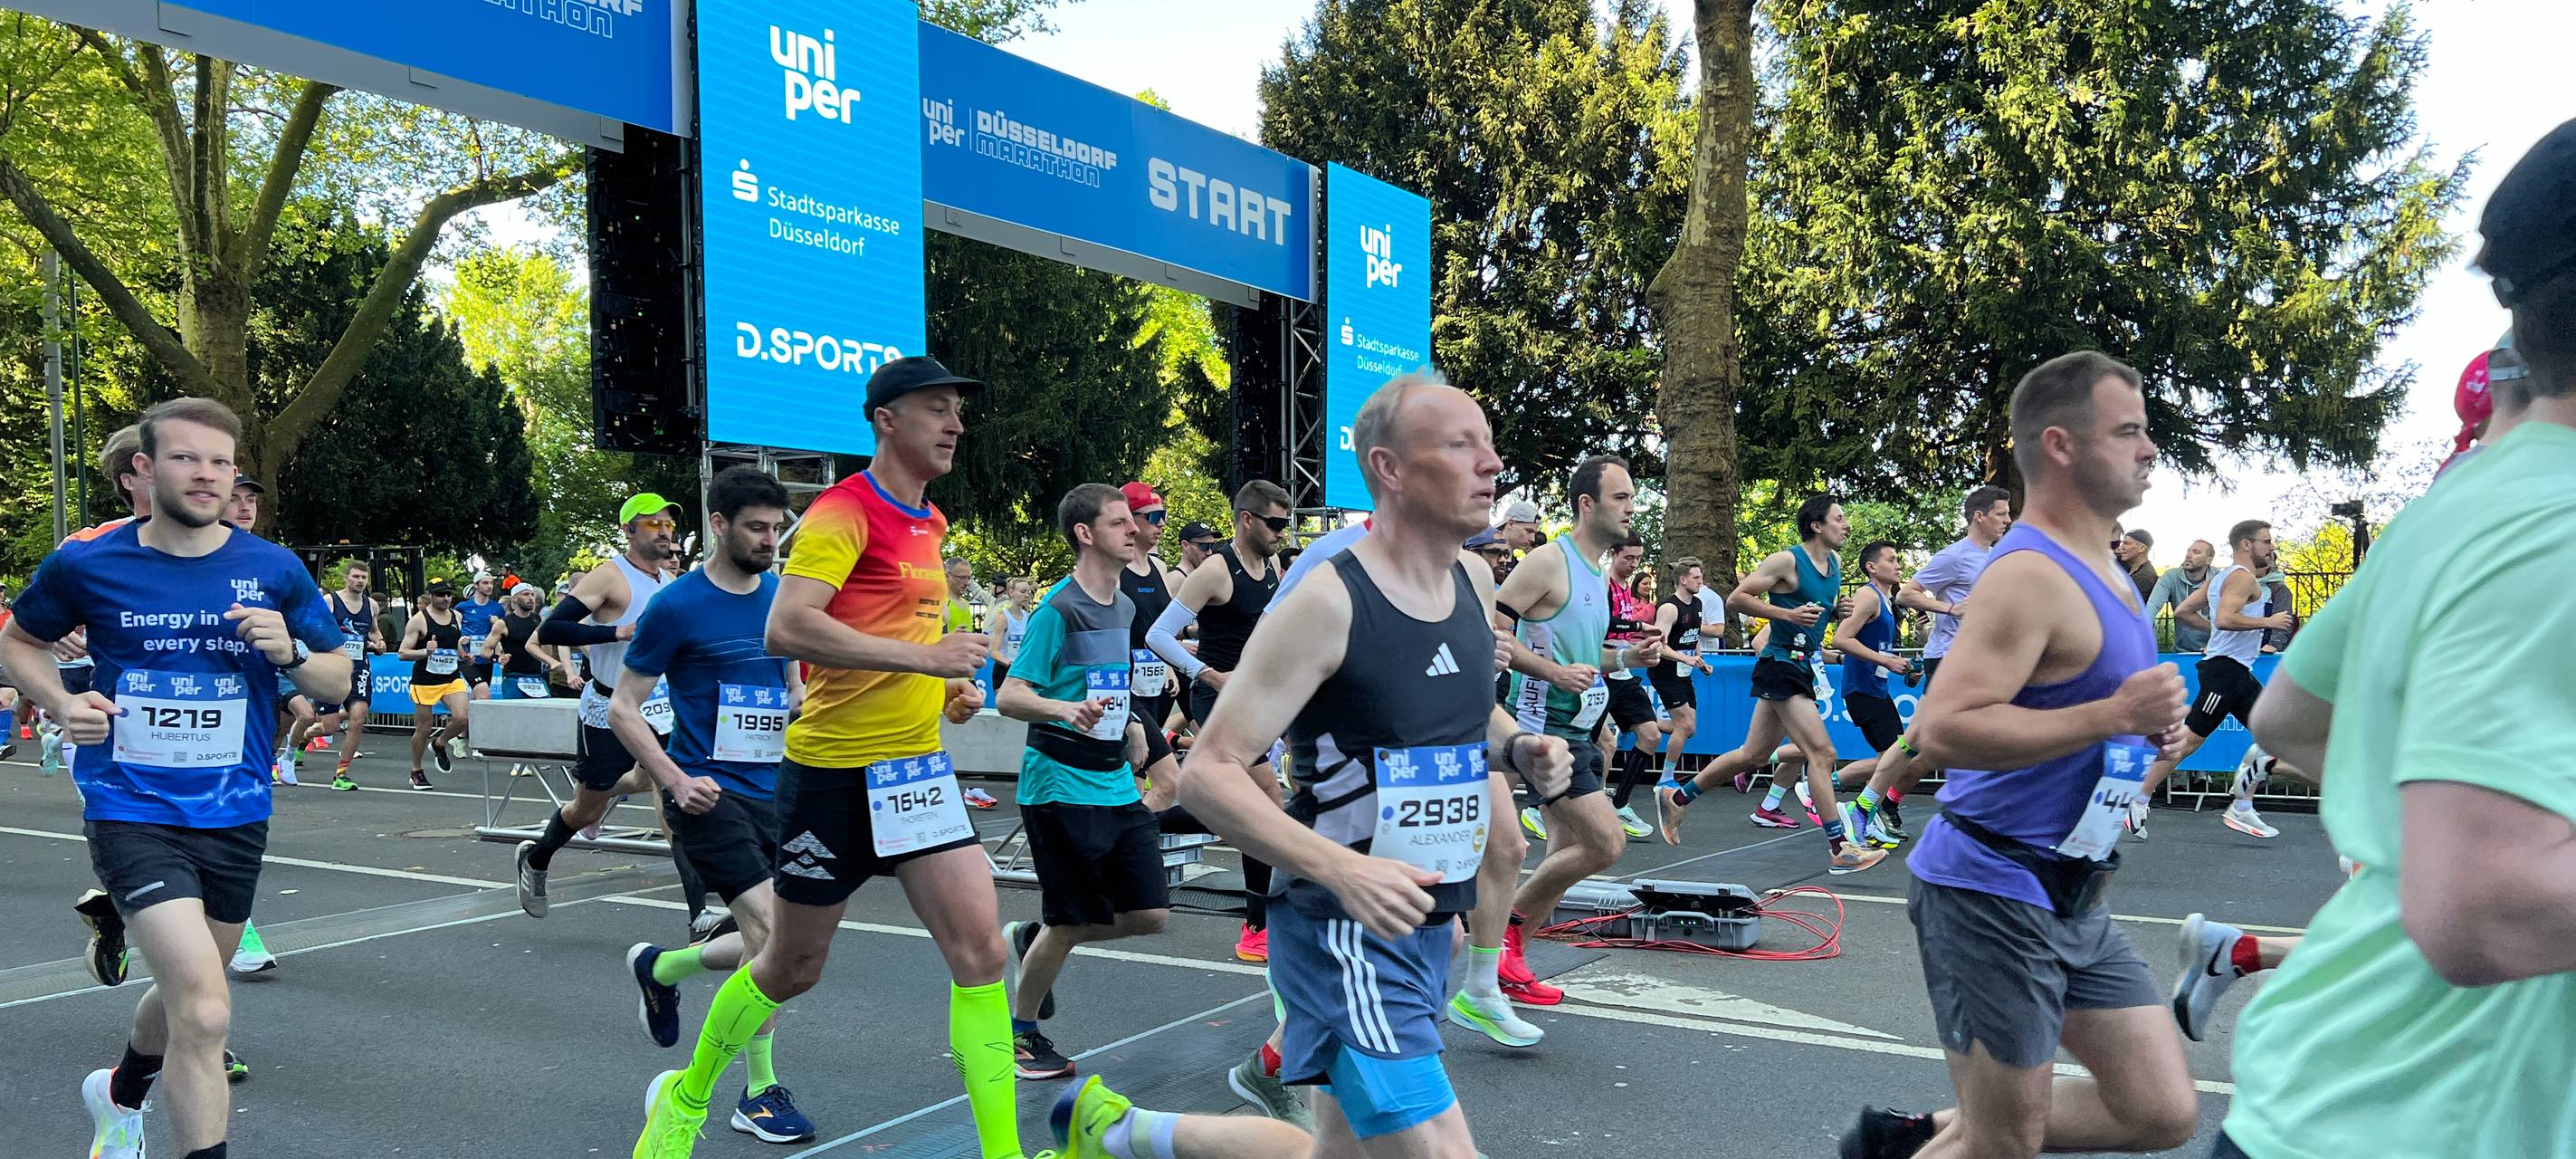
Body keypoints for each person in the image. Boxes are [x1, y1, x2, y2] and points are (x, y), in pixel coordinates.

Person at [1048, 373, 1572, 1159]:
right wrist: (1344, 872)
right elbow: (1211, 770)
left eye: (1488, 444)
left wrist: (1514, 747)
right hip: (1344, 927)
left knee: (1339, 1152)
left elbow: (1459, 719)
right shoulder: (1328, 600)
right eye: (1461, 445)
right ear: (1391, 469)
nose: (1490, 465)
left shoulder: (1474, 579)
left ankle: (1122, 1133)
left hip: (1428, 923)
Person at [2216, 120, 2576, 1159]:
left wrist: (2430, 809)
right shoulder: (2553, 525)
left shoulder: (2457, 507)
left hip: (2344, 1094)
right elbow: (2480, 907)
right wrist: (2456, 844)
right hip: (2413, 1124)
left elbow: (2290, 713)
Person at [634, 356, 1043, 1159]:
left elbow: (902, 639)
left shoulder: (932, 523)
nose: (955, 423)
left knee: (983, 950)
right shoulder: (841, 512)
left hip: (916, 771)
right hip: (832, 775)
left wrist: (943, 690)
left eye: (958, 409)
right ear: (886, 419)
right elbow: (786, 628)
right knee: (789, 967)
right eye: (936, 408)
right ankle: (683, 1102)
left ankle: (1004, 1153)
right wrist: (924, 663)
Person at [1840, 350, 2197, 1159]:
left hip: (2074, 891)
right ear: (2062, 445)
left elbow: (2080, 710)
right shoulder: (2028, 573)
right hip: (1991, 889)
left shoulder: (2108, 567)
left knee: (2159, 1110)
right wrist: (2113, 712)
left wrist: (2143, 731)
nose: (2150, 449)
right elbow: (1944, 728)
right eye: (2130, 431)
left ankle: (1904, 1142)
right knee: (2005, 1144)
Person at [2, 397, 355, 1159]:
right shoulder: (88, 562)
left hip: (234, 808)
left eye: (221, 462)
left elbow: (334, 681)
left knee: (189, 994)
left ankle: (120, 1091)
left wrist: (290, 652)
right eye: (187, 458)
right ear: (147, 467)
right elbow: (20, 641)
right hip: (131, 804)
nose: (206, 475)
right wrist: (62, 701)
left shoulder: (273, 568)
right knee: (205, 1008)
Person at [609, 466, 816, 1145]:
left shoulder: (782, 595)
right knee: (773, 941)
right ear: (720, 526)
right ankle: (757, 1091)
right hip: (708, 795)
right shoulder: (676, 606)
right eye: (757, 527)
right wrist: (672, 778)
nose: (770, 539)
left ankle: (663, 967)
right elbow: (624, 708)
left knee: (785, 945)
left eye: (777, 527)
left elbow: (789, 669)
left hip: (777, 791)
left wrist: (795, 694)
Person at [995, 484, 1168, 1082]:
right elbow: (1011, 694)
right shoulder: (1057, 611)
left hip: (1113, 778)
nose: (1134, 529)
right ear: (1086, 534)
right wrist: (1065, 711)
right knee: (1070, 920)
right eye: (1119, 522)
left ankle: (1033, 941)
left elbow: (1109, 681)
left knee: (1150, 914)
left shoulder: (1121, 603)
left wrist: (1137, 729)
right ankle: (1021, 1036)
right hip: (1057, 782)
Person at [1496, 455, 1665, 1002]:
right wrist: (1549, 671)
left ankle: (1507, 965)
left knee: (1563, 850)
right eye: (1621, 498)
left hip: (1582, 727)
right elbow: (1490, 634)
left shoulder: (1598, 571)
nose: (1631, 508)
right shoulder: (1547, 562)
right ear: (1586, 504)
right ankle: (1502, 937)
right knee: (1605, 842)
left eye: (1633, 497)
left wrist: (1626, 660)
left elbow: (1587, 658)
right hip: (1540, 729)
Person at [1655, 495, 1884, 875]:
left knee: (1753, 755)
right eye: (1839, 519)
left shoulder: (1836, 565)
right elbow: (1737, 598)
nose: (1846, 526)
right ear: (1816, 525)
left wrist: (1837, 610)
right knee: (1822, 753)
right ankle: (1839, 846)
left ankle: (1678, 797)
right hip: (1779, 663)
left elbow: (1817, 613)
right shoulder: (1787, 561)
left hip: (1799, 665)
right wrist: (1785, 613)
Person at [1147, 478, 1293, 963]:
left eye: (1286, 523)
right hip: (1219, 699)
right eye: (1275, 523)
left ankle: (1133, 824)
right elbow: (1159, 634)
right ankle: (1256, 927)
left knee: (1234, 810)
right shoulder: (1215, 570)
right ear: (1247, 519)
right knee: (1265, 801)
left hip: (1258, 698)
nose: (1282, 532)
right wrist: (1208, 674)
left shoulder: (1271, 564)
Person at [517, 494, 680, 915]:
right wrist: (616, 633)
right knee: (588, 805)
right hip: (608, 708)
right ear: (627, 531)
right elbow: (553, 627)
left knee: (672, 790)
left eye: (668, 525)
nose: (664, 532)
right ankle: (536, 858)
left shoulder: (667, 582)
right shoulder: (609, 576)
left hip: (658, 706)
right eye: (652, 524)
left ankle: (700, 909)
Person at [1846, 485, 2016, 843]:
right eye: (2001, 513)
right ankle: (1864, 806)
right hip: (1950, 659)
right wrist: (1951, 608)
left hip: (1978, 662)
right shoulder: (1954, 556)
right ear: (1979, 516)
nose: (2008, 520)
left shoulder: (1997, 556)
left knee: (1925, 744)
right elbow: (1908, 593)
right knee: (1922, 741)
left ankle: (1873, 804)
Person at [2134, 519, 2293, 840]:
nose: (2270, 547)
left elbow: (2184, 612)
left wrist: (2218, 634)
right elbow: (2224, 618)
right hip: (2225, 671)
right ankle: (2136, 796)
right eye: (2265, 541)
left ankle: (2242, 806)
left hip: (2234, 671)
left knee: (2275, 735)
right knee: (2191, 738)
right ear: (2246, 545)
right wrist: (2269, 621)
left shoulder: (2221, 577)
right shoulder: (2243, 578)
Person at [1113, 482, 1187, 810]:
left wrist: (1169, 663)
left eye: (1164, 515)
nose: (1161, 524)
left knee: (1141, 775)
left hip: (1155, 681)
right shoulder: (1115, 571)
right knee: (1158, 777)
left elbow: (1159, 629)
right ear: (1129, 519)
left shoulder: (1158, 567)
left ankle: (1132, 848)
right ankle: (1133, 849)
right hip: (1125, 685)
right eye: (1154, 516)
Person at [1596, 535, 1666, 839]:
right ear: (1614, 554)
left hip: (1622, 672)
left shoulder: (1627, 588)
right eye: (1628, 559)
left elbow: (1623, 629)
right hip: (1600, 671)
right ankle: (1545, 803)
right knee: (1592, 745)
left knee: (1650, 735)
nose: (1634, 565)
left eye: (1638, 559)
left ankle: (1620, 805)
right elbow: (1600, 624)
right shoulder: (1602, 582)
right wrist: (1639, 628)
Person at [1642, 556, 1717, 789]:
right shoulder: (1669, 608)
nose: (1700, 581)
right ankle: (1665, 778)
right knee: (1683, 726)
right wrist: (1686, 658)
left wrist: (1700, 661)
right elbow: (1658, 645)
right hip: (1665, 671)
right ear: (1683, 580)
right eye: (1696, 578)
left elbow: (1692, 637)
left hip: (1683, 671)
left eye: (1701, 577)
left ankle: (1643, 722)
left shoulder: (1698, 604)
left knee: (1689, 729)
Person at [394, 580, 472, 790]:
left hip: (451, 677)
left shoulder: (457, 616)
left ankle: (440, 743)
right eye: (440, 595)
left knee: (463, 718)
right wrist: (425, 652)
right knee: (424, 727)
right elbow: (402, 653)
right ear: (430, 596)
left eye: (448, 594)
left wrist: (463, 655)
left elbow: (453, 642)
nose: (446, 598)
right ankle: (416, 770)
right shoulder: (419, 621)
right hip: (425, 681)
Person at [320, 560, 387, 790]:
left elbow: (374, 631)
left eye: (363, 578)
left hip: (359, 667)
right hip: (332, 668)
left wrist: (379, 642)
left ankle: (341, 774)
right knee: (328, 727)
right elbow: (316, 628)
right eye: (356, 577)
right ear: (346, 578)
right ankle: (303, 739)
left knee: (358, 716)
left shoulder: (371, 605)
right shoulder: (330, 601)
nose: (360, 581)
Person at [485, 581, 568, 700]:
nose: (531, 598)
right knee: (515, 716)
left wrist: (550, 662)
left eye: (532, 595)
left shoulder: (540, 620)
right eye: (526, 594)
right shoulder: (503, 624)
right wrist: (497, 658)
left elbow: (547, 648)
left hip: (537, 678)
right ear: (515, 599)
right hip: (513, 677)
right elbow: (485, 650)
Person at [2145, 540, 2215, 653]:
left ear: (2209, 560)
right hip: (2182, 651)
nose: (2189, 555)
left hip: (2215, 651)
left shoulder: (2219, 578)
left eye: (2196, 552)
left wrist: (2220, 644)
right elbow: (2152, 607)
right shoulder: (2171, 576)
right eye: (2189, 551)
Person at [455, 573, 506, 703]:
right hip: (467, 658)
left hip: (486, 658)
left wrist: (496, 624)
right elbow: (453, 629)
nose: (489, 586)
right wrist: (461, 639)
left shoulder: (497, 608)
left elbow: (502, 633)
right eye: (485, 583)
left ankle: (468, 721)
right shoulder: (462, 607)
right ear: (475, 586)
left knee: (480, 695)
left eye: (491, 583)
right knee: (483, 692)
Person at [989, 576, 1035, 687]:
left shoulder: (1028, 617)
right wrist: (1010, 664)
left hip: (1021, 671)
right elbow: (993, 652)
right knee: (1006, 704)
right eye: (1023, 592)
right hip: (1004, 670)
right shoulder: (1003, 618)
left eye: (1028, 592)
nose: (1026, 595)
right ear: (1011, 592)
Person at [2114, 530, 2158, 603]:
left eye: (2126, 543)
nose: (2121, 547)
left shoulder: (2144, 577)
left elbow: (2131, 607)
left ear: (2141, 548)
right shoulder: (2130, 568)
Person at [944, 558, 980, 636]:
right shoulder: (939, 603)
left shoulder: (966, 604)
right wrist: (950, 636)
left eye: (969, 578)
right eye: (962, 578)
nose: (967, 583)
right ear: (947, 576)